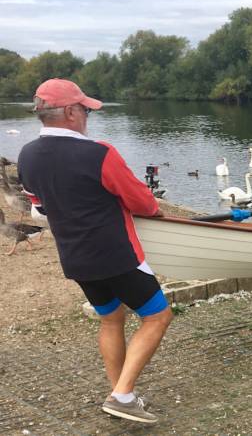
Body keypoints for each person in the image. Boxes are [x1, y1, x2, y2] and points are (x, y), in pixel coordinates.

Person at [18, 78, 172, 424]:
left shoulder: (26, 155)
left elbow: (39, 207)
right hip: (117, 256)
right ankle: (122, 396)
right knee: (158, 317)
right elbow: (143, 202)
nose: (88, 115)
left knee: (111, 319)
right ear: (71, 112)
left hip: (76, 258)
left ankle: (121, 392)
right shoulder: (98, 153)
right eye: (85, 109)